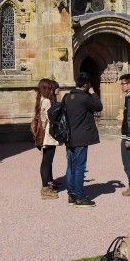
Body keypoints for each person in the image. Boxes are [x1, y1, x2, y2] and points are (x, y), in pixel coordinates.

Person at [63, 71, 102, 207]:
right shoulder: (85, 98)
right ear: (85, 84)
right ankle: (80, 197)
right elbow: (99, 106)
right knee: (79, 167)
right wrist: (92, 92)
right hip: (80, 137)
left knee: (71, 166)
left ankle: (72, 195)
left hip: (69, 137)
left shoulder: (67, 97)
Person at [33, 78, 60, 199]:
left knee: (46, 160)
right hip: (48, 135)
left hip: (46, 135)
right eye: (50, 87)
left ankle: (47, 185)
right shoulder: (47, 101)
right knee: (47, 161)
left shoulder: (41, 99)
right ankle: (45, 189)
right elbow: (47, 119)